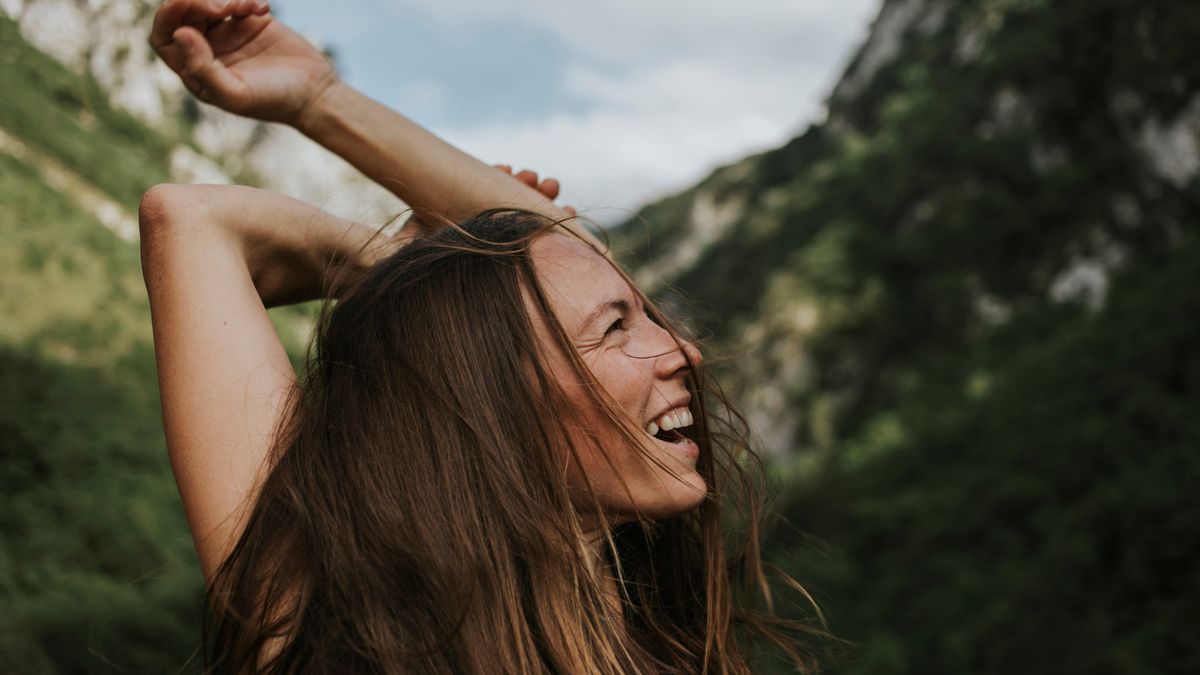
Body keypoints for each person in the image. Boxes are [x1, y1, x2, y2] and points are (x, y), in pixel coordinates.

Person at [141, 0, 824, 672]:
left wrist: (322, 101)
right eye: (618, 328)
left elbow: (567, 262)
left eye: (647, 317)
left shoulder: (657, 637)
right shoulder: (334, 635)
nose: (684, 351)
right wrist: (416, 276)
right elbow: (190, 219)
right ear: (484, 399)